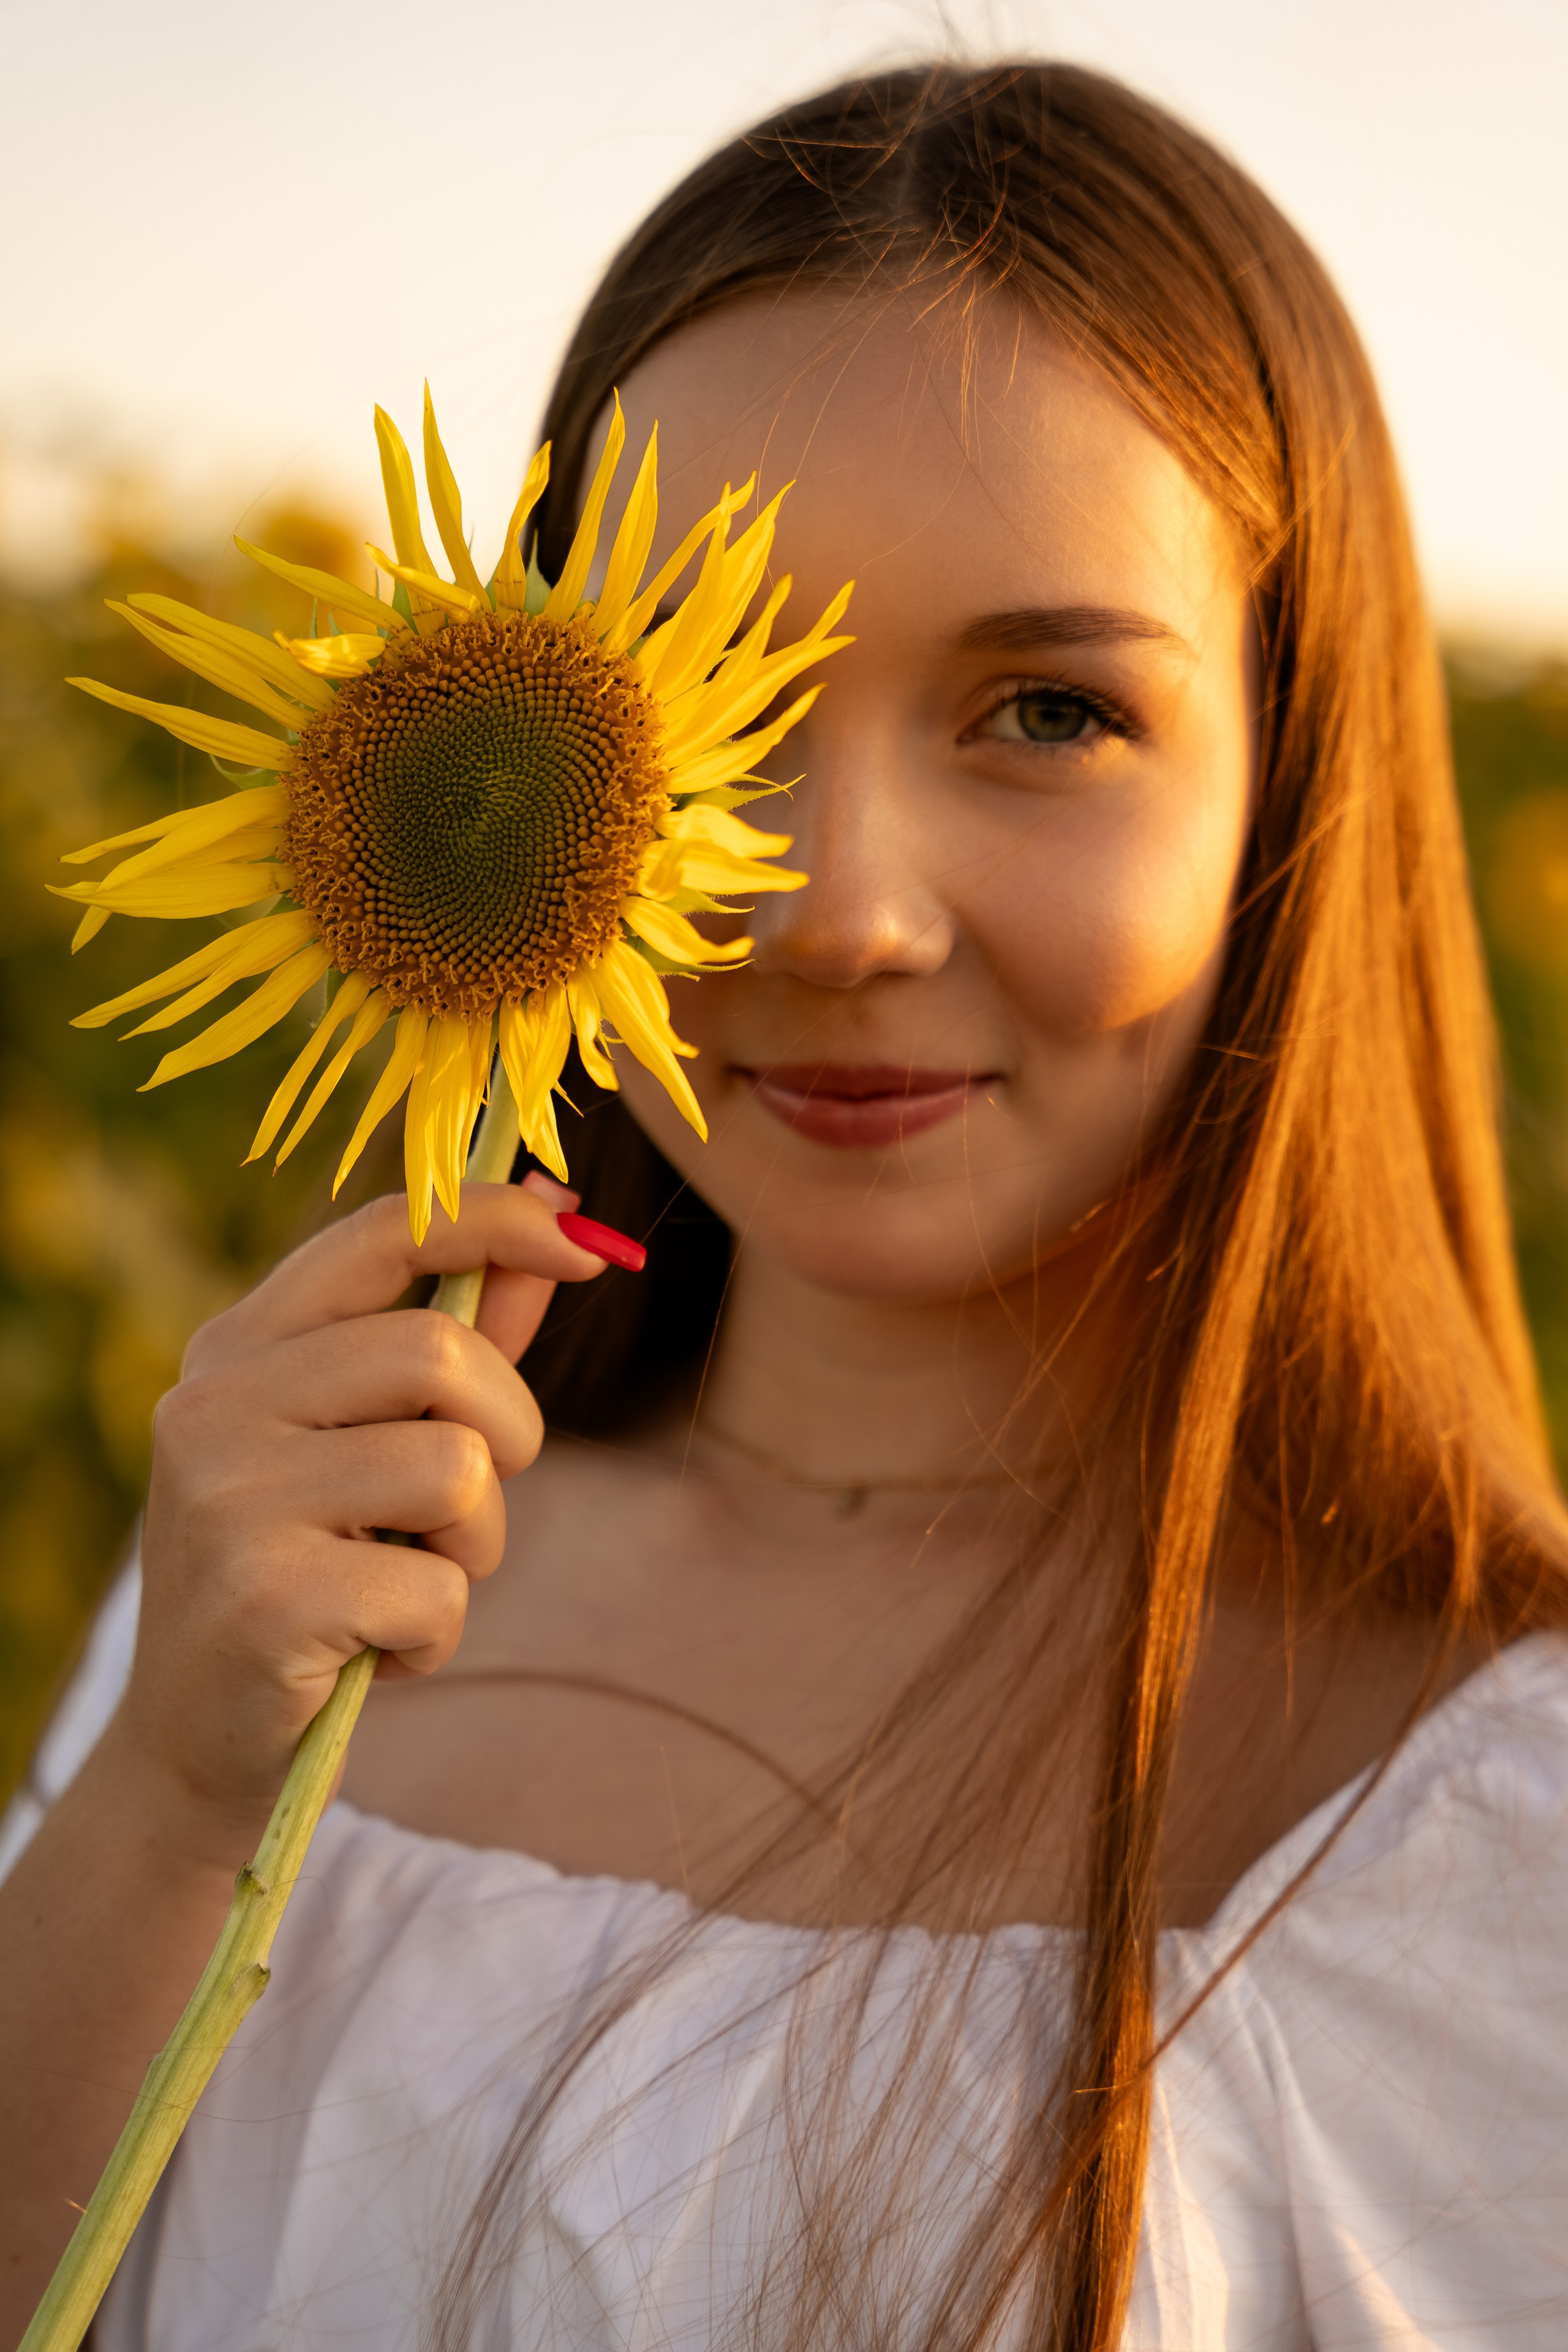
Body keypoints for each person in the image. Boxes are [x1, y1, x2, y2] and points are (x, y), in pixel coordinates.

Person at [4, 58, 1567, 2352]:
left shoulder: (1497, 1833)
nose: (838, 912)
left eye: (1049, 714)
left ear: (1291, 782)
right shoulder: (299, 1579)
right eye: (710, 708)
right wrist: (159, 1798)